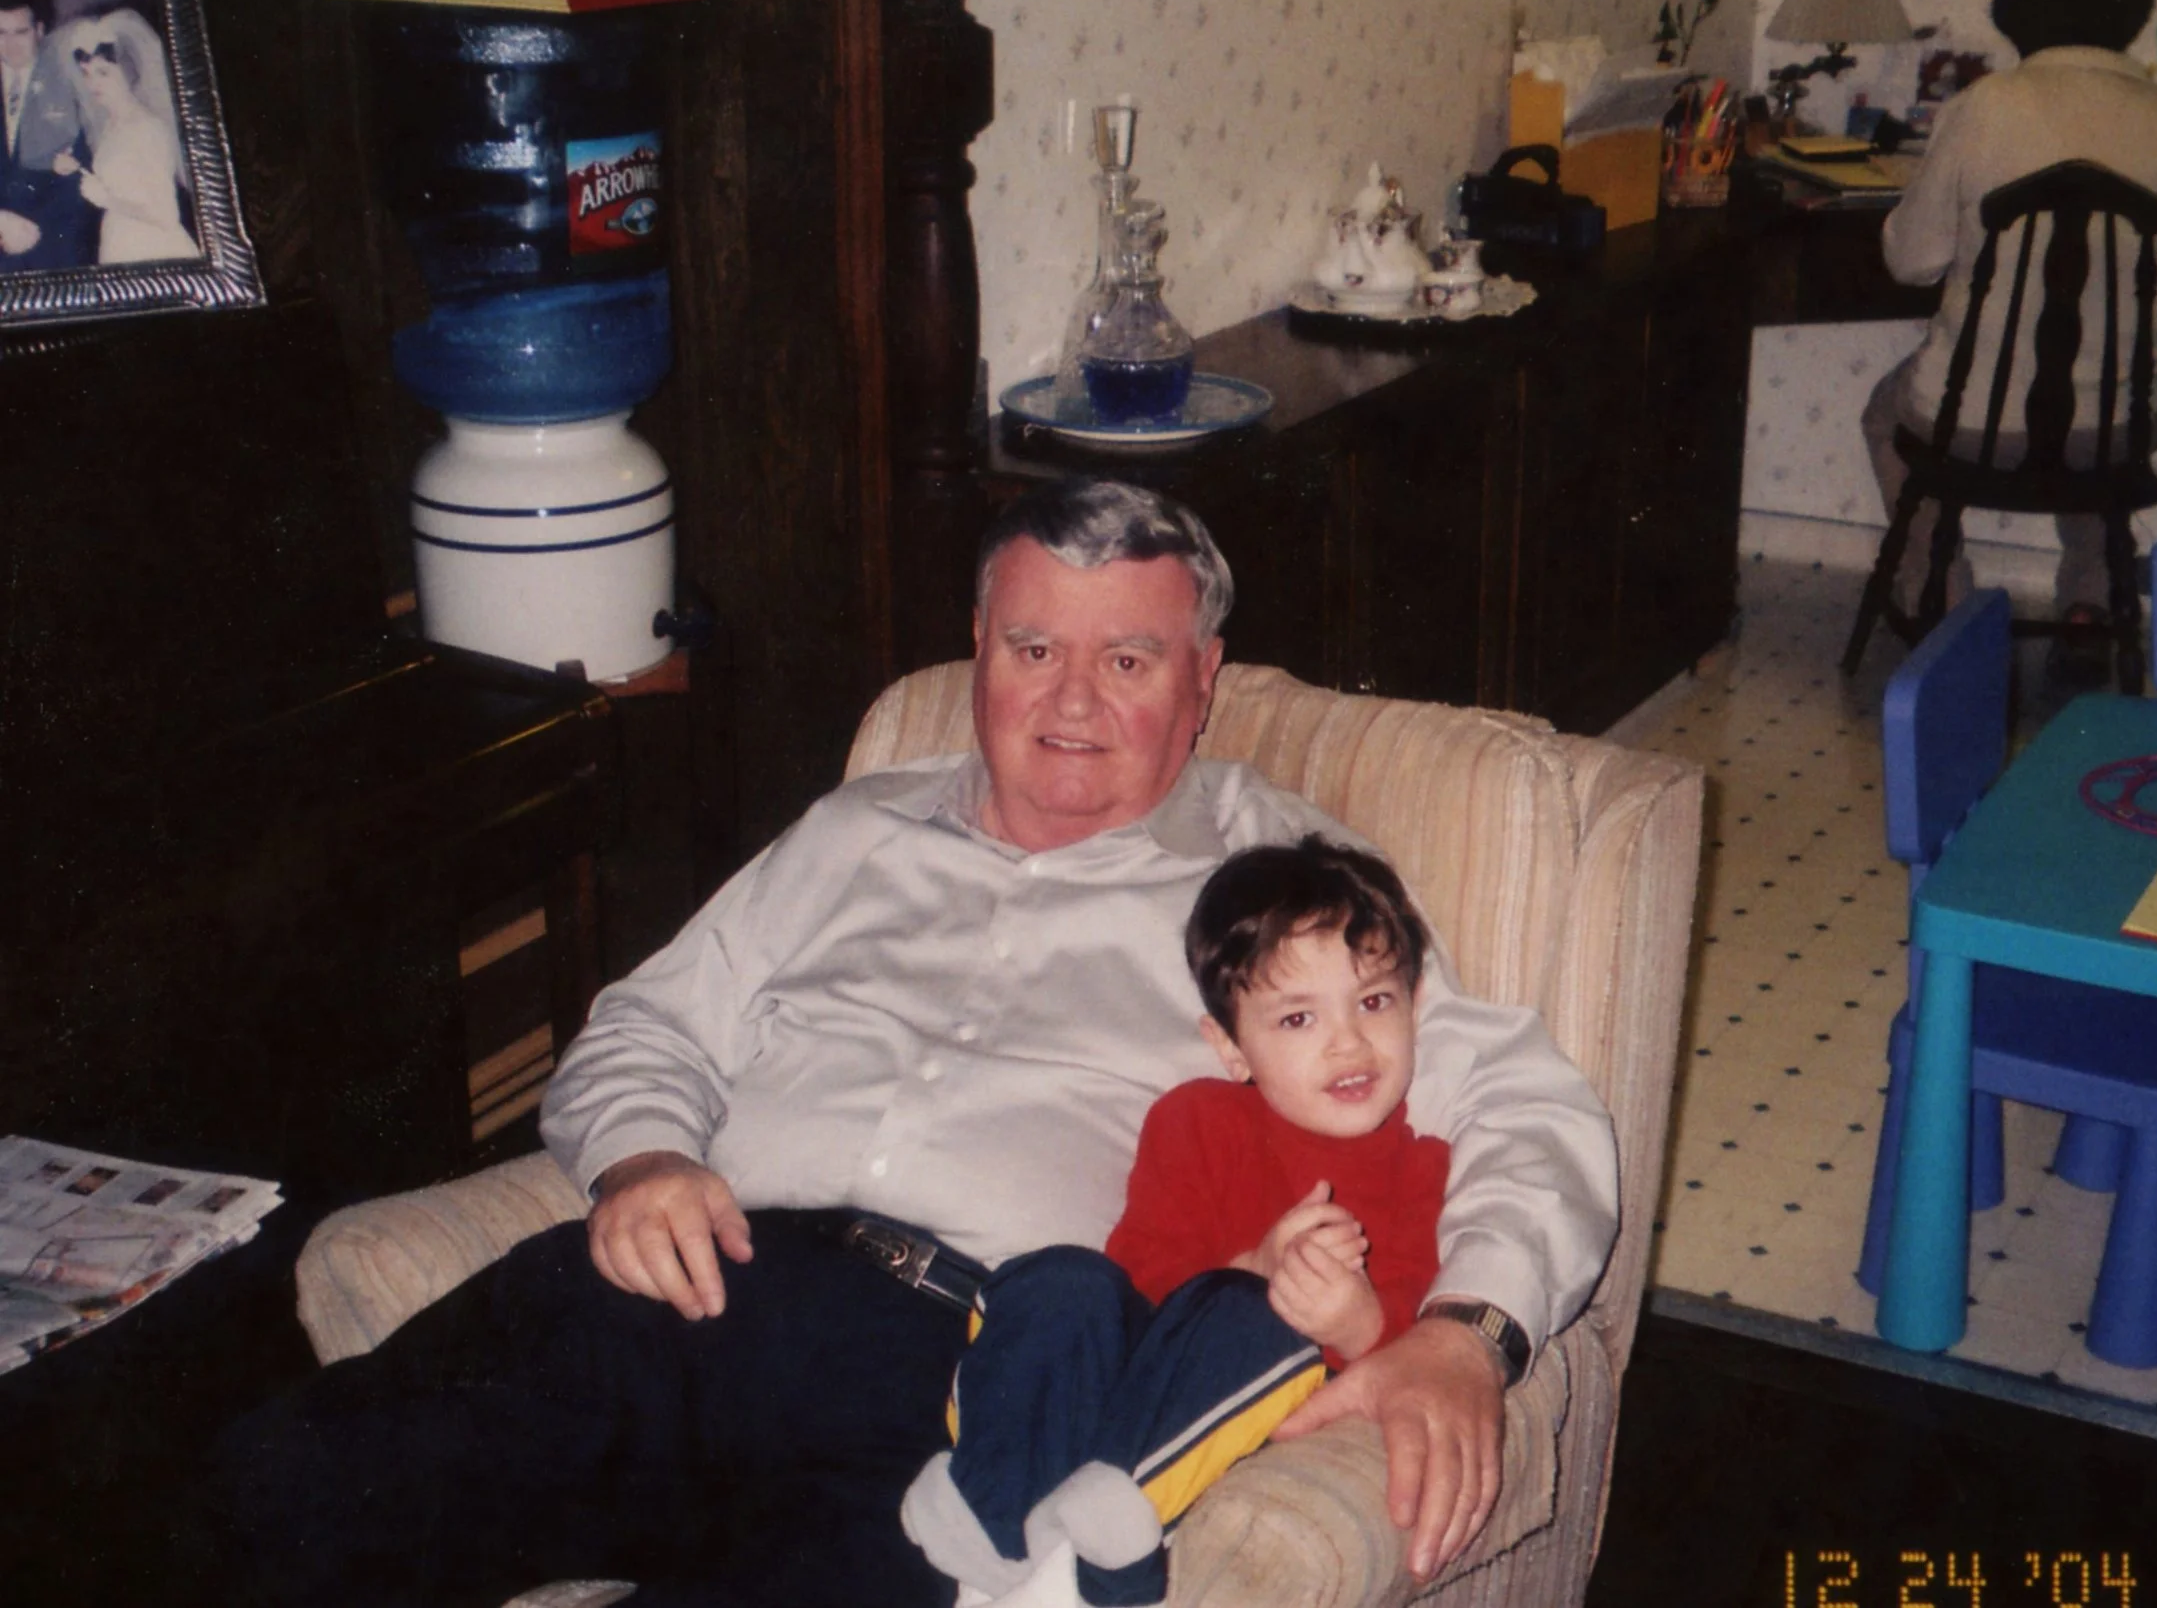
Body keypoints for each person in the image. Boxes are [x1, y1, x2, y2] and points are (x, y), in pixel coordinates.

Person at [223, 477, 1618, 1608]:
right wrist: (644, 1154)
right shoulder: (855, 827)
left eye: (1126, 659)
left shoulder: (1285, 885)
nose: (1070, 701)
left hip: (960, 1378)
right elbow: (647, 1022)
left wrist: (1469, 1331)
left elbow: (1527, 1101)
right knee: (284, 1484)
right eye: (1031, 651)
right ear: (977, 656)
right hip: (685, 1286)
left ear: (1203, 683)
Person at [901, 836, 1451, 1608]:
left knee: (1248, 1316)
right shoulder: (1193, 1121)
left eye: (1373, 1001)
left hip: (1220, 1418)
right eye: (1297, 1018)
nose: (1349, 1041)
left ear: (1414, 1004)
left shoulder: (1423, 1170)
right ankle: (987, 1542)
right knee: (1065, 1277)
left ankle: (1090, 1561)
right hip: (1137, 1375)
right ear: (1231, 1047)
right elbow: (1143, 1280)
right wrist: (1254, 1263)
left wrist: (1357, 1323)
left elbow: (1425, 1343)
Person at [1860, 0, 2157, 684]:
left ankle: (1947, 603)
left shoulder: (1986, 107)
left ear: (2015, 17)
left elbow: (1912, 260)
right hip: (2122, 427)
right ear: (2128, 19)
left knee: (1884, 415)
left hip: (1974, 422)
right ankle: (2087, 609)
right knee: (2096, 415)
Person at [54, 9, 198, 265]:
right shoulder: (110, 124)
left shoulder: (147, 127)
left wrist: (106, 199)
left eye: (103, 72)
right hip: (118, 237)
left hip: (152, 248)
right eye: (86, 73)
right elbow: (124, 180)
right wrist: (77, 170)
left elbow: (166, 214)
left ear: (129, 72)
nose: (92, 84)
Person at [0, 0, 99, 270]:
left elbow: (85, 168)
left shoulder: (70, 82)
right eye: (1, 33)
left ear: (40, 31)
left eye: (20, 32)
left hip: (55, 246)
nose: (10, 44)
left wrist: (35, 229)